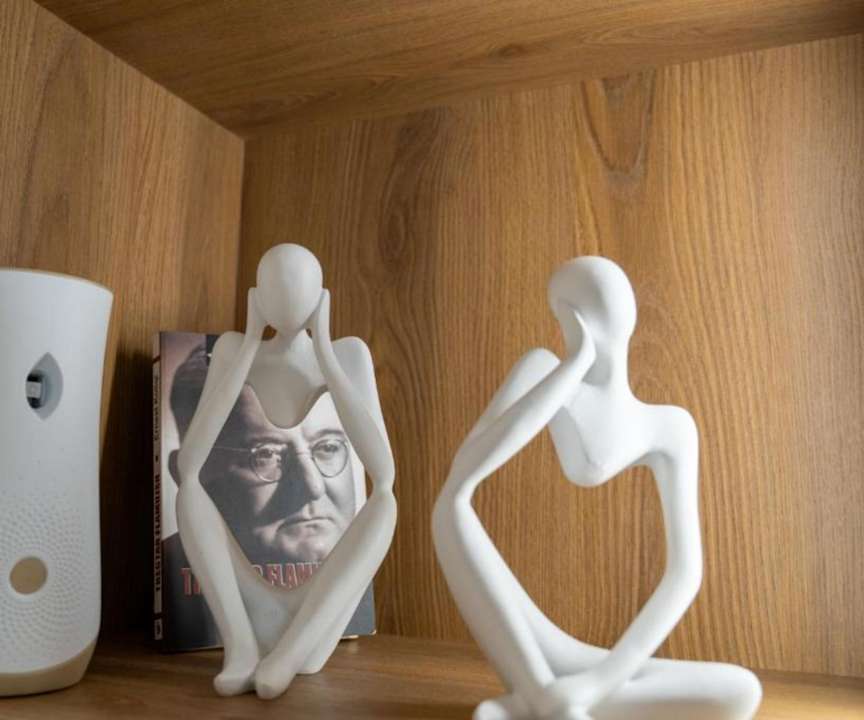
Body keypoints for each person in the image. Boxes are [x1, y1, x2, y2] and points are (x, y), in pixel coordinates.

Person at [433, 257, 762, 720]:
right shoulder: (544, 372)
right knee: (449, 507)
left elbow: (685, 573)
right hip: (524, 634)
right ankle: (544, 696)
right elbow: (465, 473)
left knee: (740, 691)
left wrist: (597, 681)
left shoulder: (670, 426)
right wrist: (573, 365)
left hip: (585, 665)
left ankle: (534, 704)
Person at [174, 244, 396, 699]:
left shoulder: (349, 354)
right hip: (251, 599)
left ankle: (290, 654)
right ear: (258, 297)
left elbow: (384, 471)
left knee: (386, 503)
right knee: (188, 492)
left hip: (316, 615)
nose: (289, 301)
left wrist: (326, 355)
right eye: (276, 290)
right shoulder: (234, 350)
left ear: (321, 298)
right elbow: (191, 463)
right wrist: (249, 344)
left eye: (300, 290)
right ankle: (240, 646)